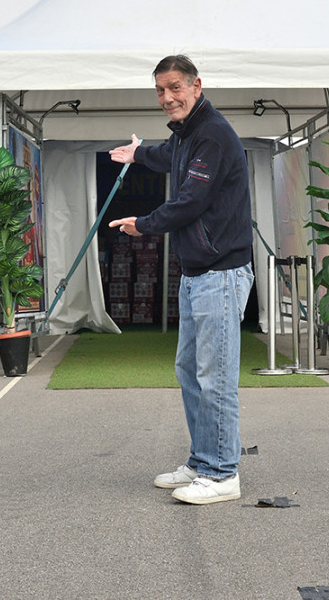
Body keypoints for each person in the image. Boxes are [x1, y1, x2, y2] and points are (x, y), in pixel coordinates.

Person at [109, 54, 254, 505]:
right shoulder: (188, 135)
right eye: (160, 90)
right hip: (196, 274)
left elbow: (190, 201)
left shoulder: (212, 135)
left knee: (216, 377)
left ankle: (223, 474)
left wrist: (144, 224)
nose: (167, 97)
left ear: (196, 86)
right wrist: (137, 153)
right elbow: (166, 154)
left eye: (175, 88)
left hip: (221, 273)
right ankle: (202, 461)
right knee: (190, 371)